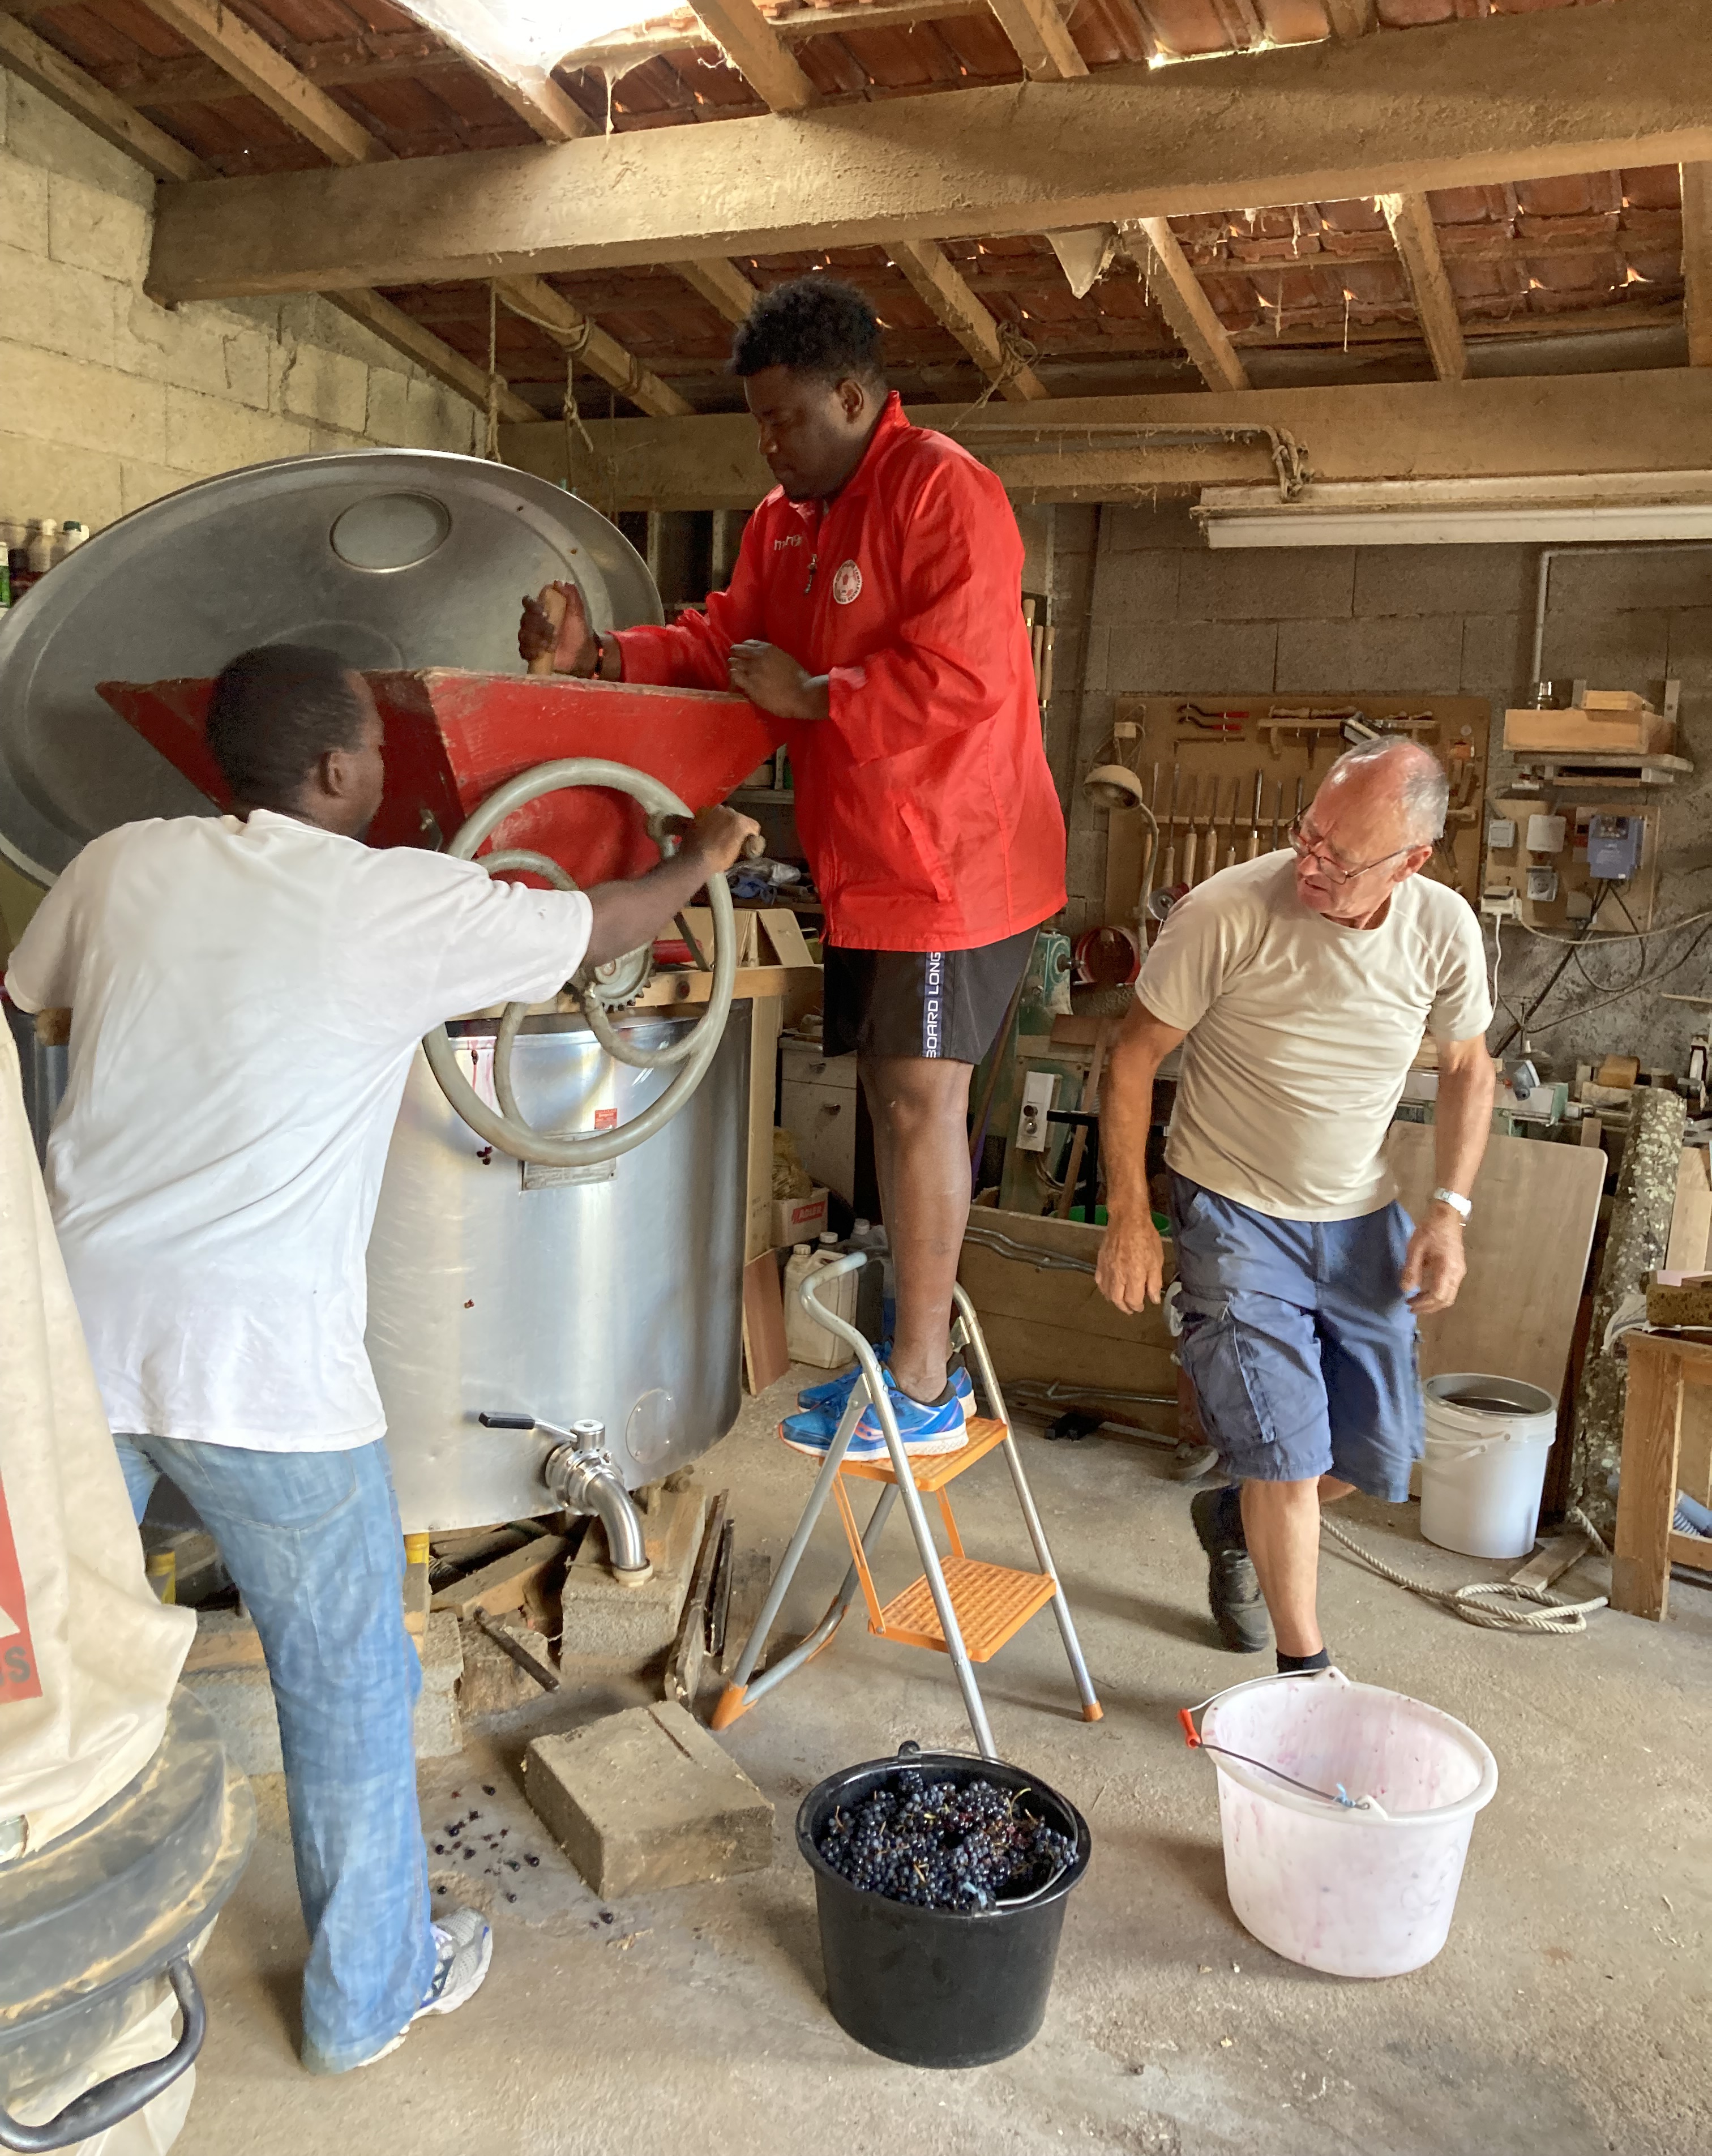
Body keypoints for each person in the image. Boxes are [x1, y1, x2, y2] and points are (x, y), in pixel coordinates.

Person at [4, 644, 756, 2075]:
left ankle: (54, 1980)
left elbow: (30, 1003)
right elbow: (604, 929)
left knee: (56, 1665)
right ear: (339, 771)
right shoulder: (394, 901)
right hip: (263, 1373)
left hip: (72, 1348)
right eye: (376, 751)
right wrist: (701, 854)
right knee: (347, 1680)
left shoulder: (117, 866)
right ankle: (365, 1997)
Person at [519, 274, 1065, 1460]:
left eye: (787, 420)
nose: (769, 443)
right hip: (869, 863)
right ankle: (908, 1364)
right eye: (759, 422)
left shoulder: (943, 491)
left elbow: (968, 677)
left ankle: (922, 1388)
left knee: (922, 1102)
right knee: (891, 1104)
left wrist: (817, 695)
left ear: (855, 398)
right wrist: (605, 654)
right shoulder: (786, 519)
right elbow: (723, 640)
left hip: (957, 859)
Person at [1094, 741, 1495, 1667]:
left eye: (1339, 858)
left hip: (1360, 1220)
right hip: (1231, 1211)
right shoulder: (1227, 911)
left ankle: (1232, 1521)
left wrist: (1449, 1212)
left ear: (1412, 861)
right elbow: (1133, 1054)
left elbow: (1470, 1068)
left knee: (1369, 1457)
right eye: (1306, 835)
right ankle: (1304, 1673)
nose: (1309, 864)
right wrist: (1129, 1215)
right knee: (1284, 1451)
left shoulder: (1444, 929)